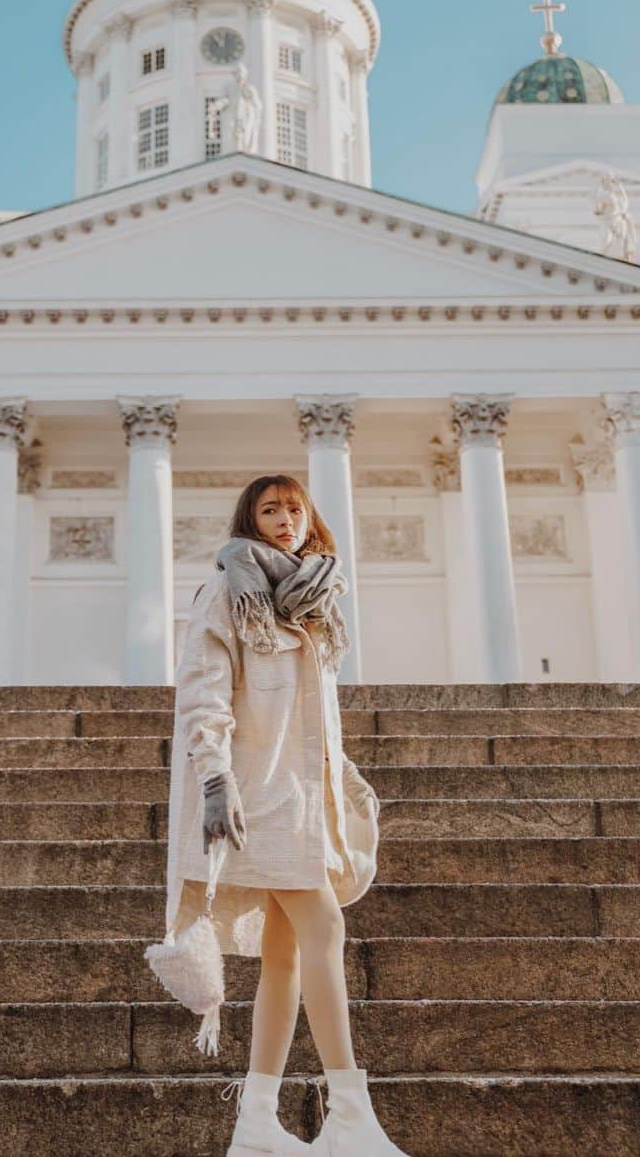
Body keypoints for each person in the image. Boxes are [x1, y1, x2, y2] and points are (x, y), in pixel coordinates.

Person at [163, 474, 408, 1156]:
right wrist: (214, 779)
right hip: (254, 796)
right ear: (250, 519)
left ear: (310, 520)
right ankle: (351, 1117)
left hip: (305, 798)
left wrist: (345, 776)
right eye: (270, 509)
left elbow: (312, 717)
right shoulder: (226, 590)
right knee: (323, 926)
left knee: (285, 954)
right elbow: (202, 692)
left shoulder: (316, 600)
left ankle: (257, 1123)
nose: (284, 519)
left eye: (294, 509)